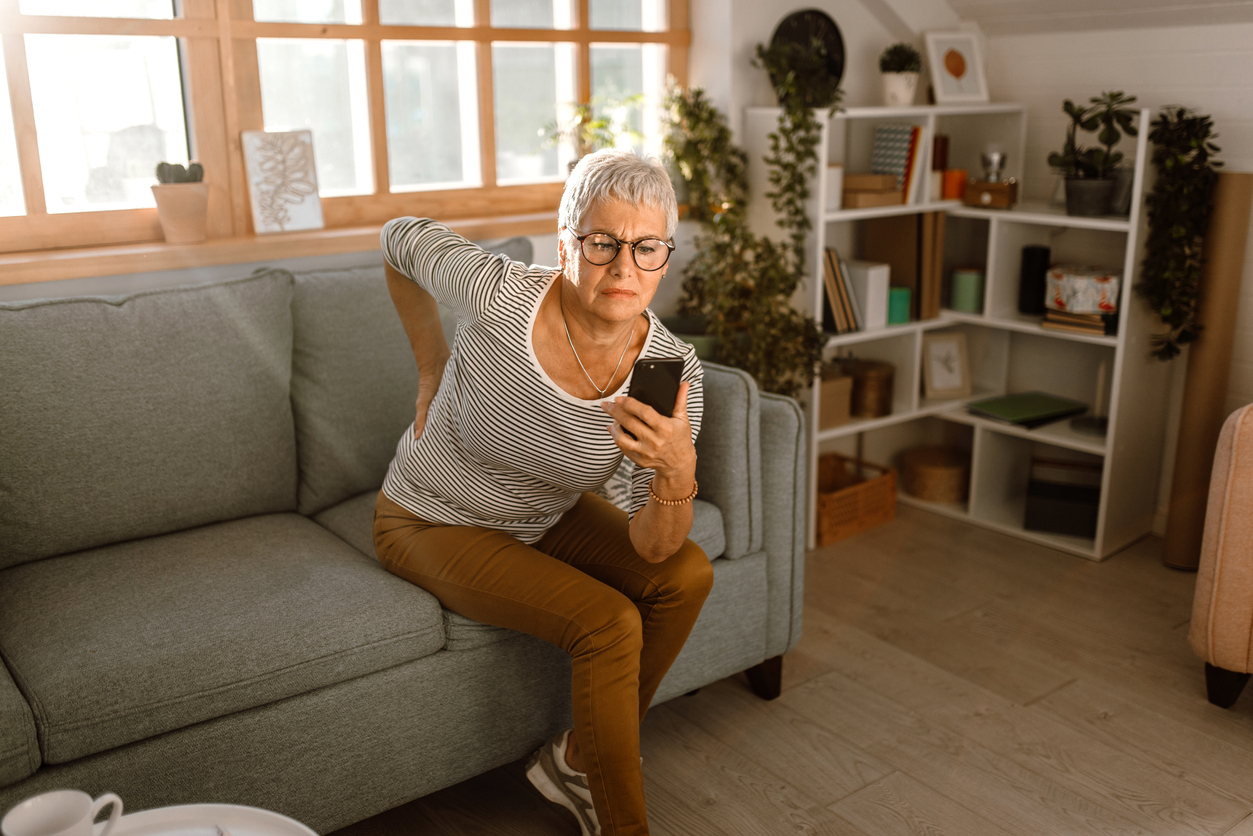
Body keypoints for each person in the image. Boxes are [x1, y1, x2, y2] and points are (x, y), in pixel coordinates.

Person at [371, 148, 714, 836]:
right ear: (565, 244)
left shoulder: (671, 375)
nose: (623, 267)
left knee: (687, 574)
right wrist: (431, 360)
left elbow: (654, 547)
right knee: (608, 624)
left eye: (645, 246)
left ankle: (578, 763)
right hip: (430, 519)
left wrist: (677, 471)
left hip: (543, 514)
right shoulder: (501, 294)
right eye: (601, 242)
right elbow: (396, 239)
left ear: (664, 258)